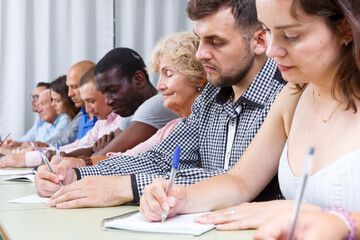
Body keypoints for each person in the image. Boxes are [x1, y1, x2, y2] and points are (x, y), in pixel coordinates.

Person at [139, 0, 360, 237]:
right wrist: (180, 197)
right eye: (268, 31)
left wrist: (337, 221)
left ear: (345, 28)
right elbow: (240, 181)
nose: (271, 49)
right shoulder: (293, 96)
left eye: (291, 35)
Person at [35, 0, 285, 209]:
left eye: (216, 42)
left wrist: (127, 187)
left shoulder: (285, 95)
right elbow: (160, 158)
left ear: (259, 41)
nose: (200, 54)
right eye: (199, 40)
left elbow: (233, 181)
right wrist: (77, 174)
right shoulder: (212, 95)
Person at [2, 82, 51, 149]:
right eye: (33, 96)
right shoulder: (40, 120)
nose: (32, 100)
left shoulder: (57, 121)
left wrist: (20, 147)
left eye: (36, 97)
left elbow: (42, 145)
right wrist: (12, 143)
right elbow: (27, 139)